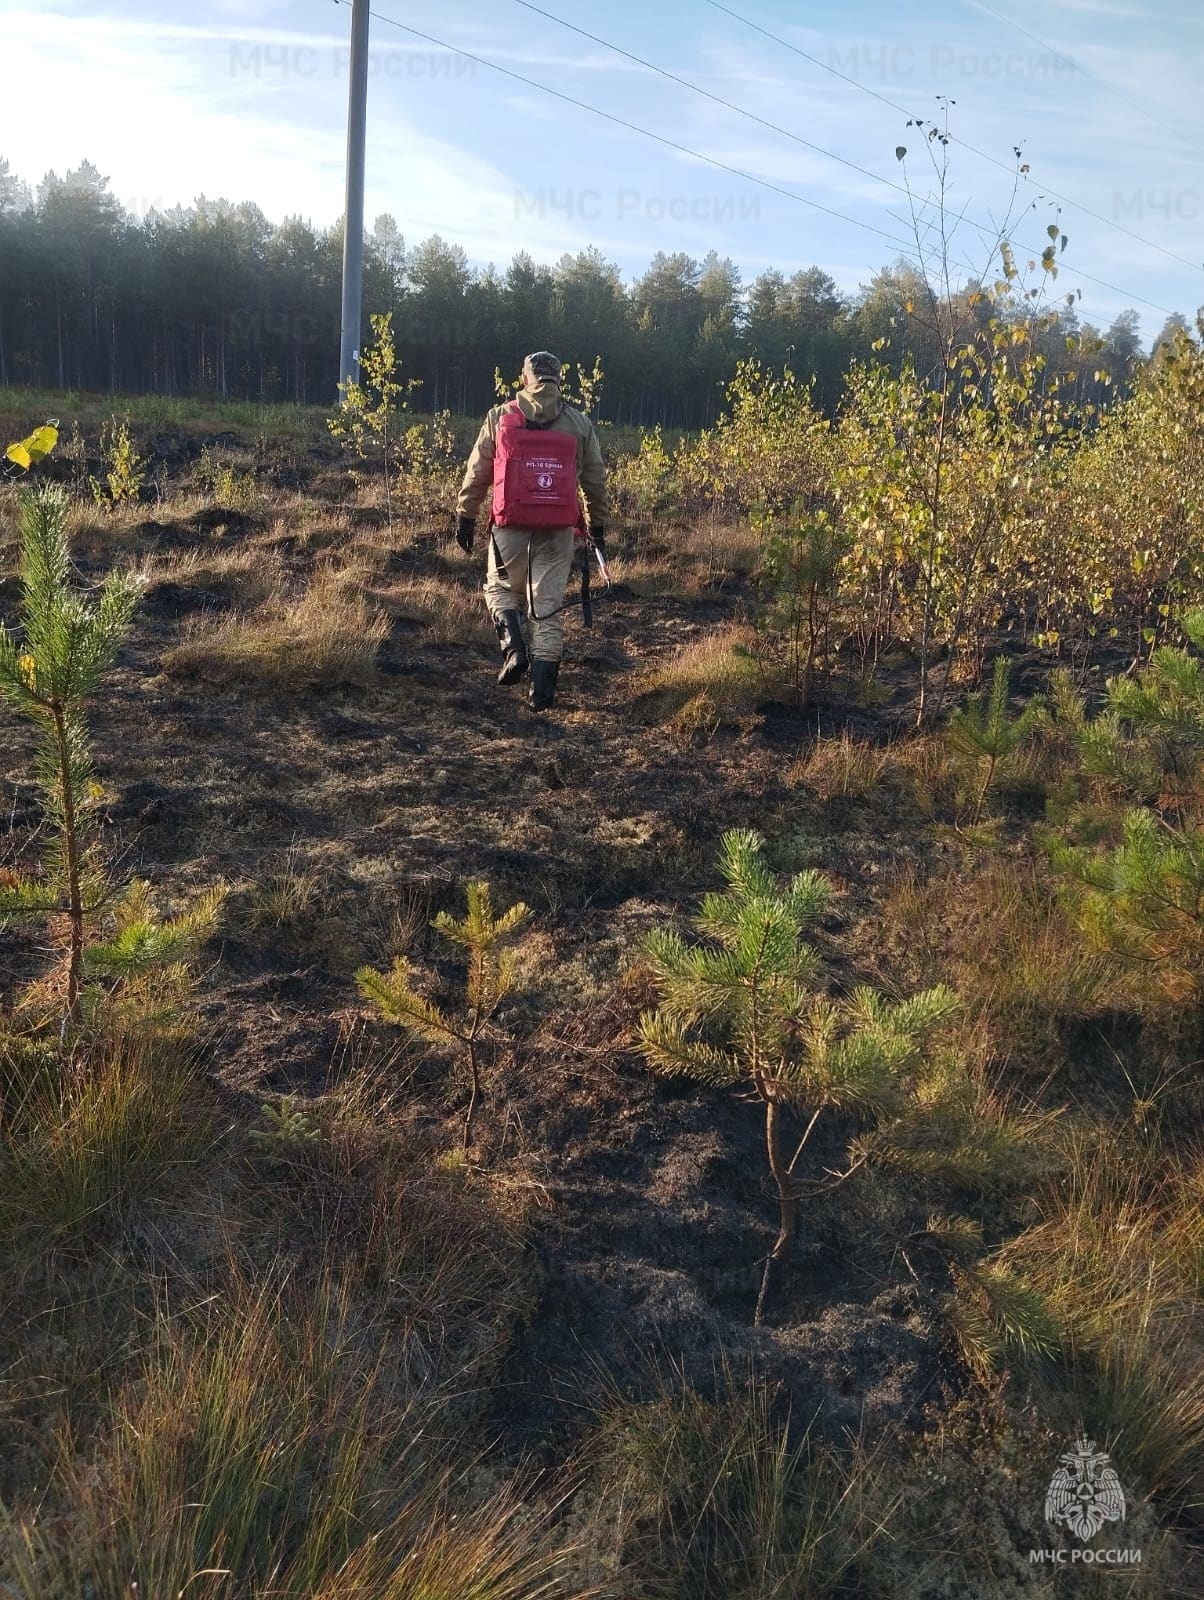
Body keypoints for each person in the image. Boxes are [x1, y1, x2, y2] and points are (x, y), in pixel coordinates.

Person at [454, 351, 608, 712]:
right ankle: (541, 693)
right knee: (547, 606)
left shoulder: (500, 416)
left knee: (499, 587)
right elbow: (595, 481)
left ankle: (513, 650)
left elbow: (478, 472)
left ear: (525, 378)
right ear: (558, 379)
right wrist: (597, 526)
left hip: (509, 526)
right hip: (557, 529)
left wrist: (465, 515)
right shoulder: (579, 422)